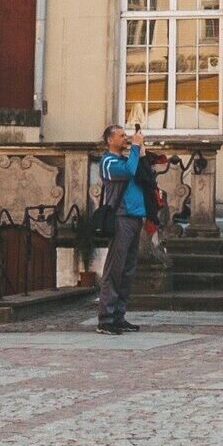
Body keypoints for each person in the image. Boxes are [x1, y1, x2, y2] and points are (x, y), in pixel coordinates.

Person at [91, 124, 149, 334]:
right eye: (122, 135)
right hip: (120, 218)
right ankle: (105, 319)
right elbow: (128, 172)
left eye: (127, 135)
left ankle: (119, 316)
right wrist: (135, 147)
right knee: (115, 269)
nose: (126, 138)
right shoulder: (108, 162)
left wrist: (141, 152)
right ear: (109, 140)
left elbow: (142, 173)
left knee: (128, 270)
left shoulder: (127, 158)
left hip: (135, 216)